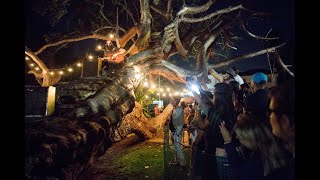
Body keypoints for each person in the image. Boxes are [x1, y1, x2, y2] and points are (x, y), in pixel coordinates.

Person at [219, 115, 289, 180]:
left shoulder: (257, 162)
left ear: (250, 139)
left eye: (240, 137)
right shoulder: (275, 149)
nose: (237, 137)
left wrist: (228, 141)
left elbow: (239, 173)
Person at [168, 97, 187, 168]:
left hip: (177, 132)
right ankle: (177, 161)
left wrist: (177, 132)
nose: (170, 101)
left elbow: (180, 122)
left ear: (176, 101)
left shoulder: (179, 109)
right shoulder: (175, 109)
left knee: (178, 147)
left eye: (172, 100)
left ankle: (182, 162)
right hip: (174, 131)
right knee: (175, 147)